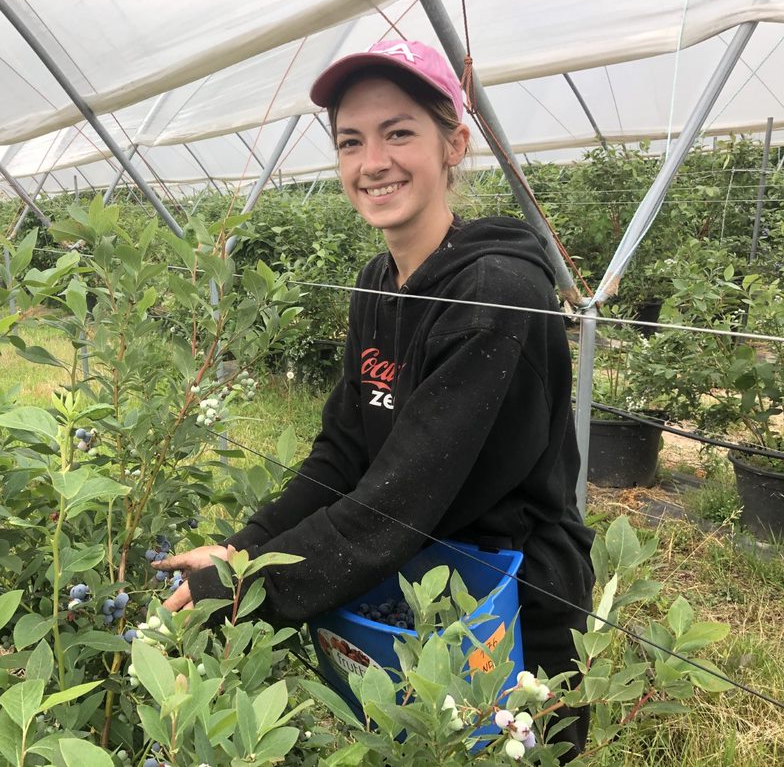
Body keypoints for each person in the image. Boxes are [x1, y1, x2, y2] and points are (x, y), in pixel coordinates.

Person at [153, 39, 595, 754]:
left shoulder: (497, 295)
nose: (373, 162)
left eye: (399, 132)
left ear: (453, 143)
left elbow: (397, 499)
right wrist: (241, 553)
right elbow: (345, 452)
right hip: (416, 586)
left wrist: (244, 592)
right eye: (350, 141)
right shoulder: (376, 283)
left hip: (511, 598)